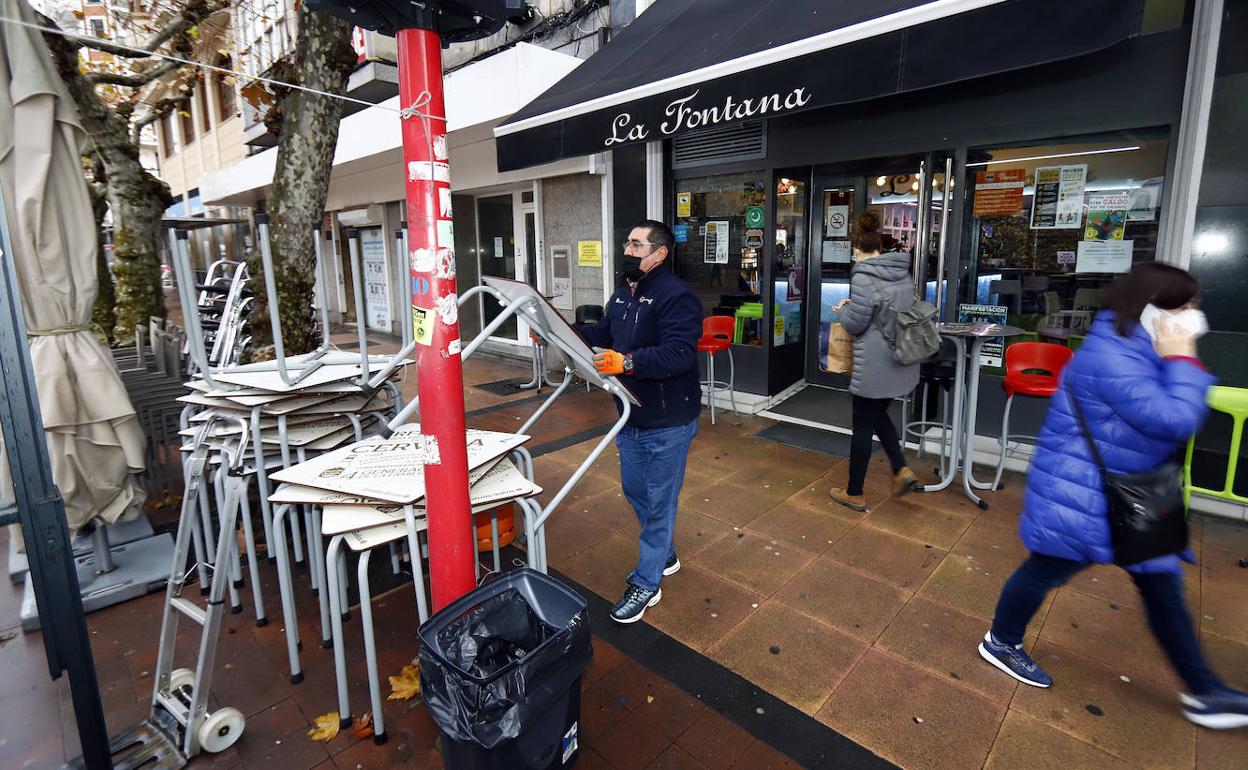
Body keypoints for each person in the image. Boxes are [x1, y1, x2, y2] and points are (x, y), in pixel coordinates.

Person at [977, 263, 1248, 730]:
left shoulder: (1140, 347)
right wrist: (1183, 358)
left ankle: (1205, 690)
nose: (1194, 315)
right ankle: (1001, 641)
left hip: (1130, 495)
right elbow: (1173, 419)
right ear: (1153, 309)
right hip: (1087, 496)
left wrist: (1175, 356)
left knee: (1161, 589)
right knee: (1044, 570)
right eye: (1185, 306)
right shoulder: (1113, 355)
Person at [576, 220, 702, 624]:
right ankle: (663, 551)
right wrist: (563, 331)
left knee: (660, 501)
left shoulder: (676, 296)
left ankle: (647, 583)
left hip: (668, 419)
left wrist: (628, 362)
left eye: (636, 244)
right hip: (630, 413)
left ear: (660, 253)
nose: (627, 249)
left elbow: (679, 354)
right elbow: (604, 331)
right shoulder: (624, 292)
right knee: (635, 489)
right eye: (627, 242)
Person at [828, 211, 920, 512]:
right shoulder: (903, 273)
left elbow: (855, 324)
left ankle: (854, 492)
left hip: (874, 365)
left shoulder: (863, 277)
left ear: (857, 249)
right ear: (880, 247)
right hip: (900, 359)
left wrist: (841, 310)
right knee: (879, 415)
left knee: (863, 426)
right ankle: (900, 468)